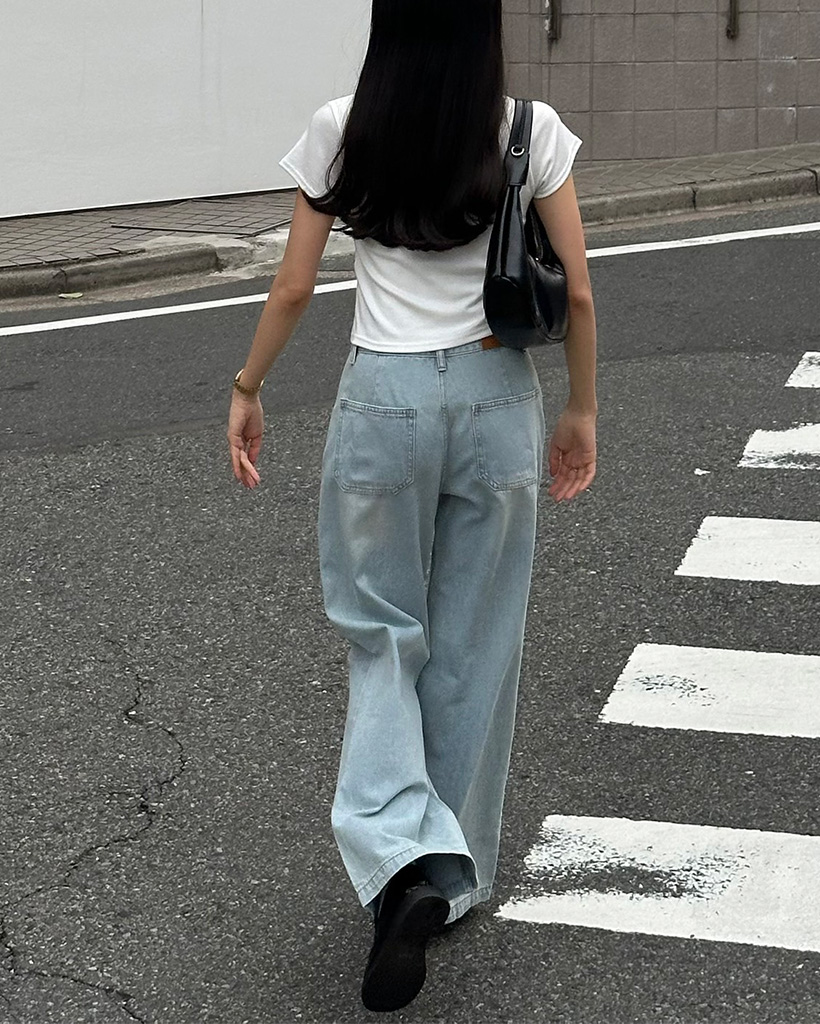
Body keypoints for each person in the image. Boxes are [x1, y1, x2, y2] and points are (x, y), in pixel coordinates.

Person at [226, 0, 597, 1012]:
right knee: (477, 637)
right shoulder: (530, 131)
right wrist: (580, 409)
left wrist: (249, 386)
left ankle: (400, 856)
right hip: (496, 395)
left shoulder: (341, 127)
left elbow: (294, 286)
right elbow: (577, 292)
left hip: (382, 398)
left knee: (381, 631)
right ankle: (445, 870)